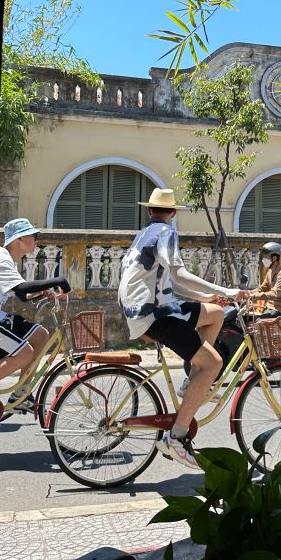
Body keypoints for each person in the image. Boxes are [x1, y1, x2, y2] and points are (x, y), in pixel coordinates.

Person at [118, 188, 245, 469]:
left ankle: (193, 376)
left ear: (149, 211)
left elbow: (172, 283)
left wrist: (206, 298)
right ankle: (175, 437)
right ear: (173, 214)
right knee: (214, 364)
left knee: (215, 314)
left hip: (146, 310)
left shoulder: (144, 235)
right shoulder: (166, 233)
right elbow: (179, 274)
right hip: (155, 315)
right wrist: (227, 290)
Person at [0, 218, 70, 412]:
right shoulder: (0, 259)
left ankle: (21, 395)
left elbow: (22, 294)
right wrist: (57, 280)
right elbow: (22, 287)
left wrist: (43, 292)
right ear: (19, 239)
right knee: (25, 354)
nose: (35, 239)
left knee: (41, 336)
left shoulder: (9, 260)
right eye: (33, 236)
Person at [248, 241, 281, 315]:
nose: (263, 259)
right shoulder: (270, 271)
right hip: (269, 306)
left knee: (258, 321)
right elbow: (262, 288)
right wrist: (248, 293)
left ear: (274, 258)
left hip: (279, 308)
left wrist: (254, 296)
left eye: (266, 257)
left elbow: (274, 294)